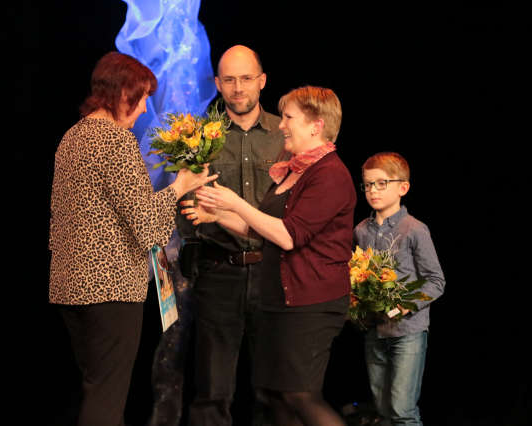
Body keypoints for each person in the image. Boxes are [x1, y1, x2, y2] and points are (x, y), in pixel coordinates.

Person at [48, 51, 216, 426]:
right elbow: (148, 226)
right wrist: (180, 186)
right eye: (140, 99)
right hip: (109, 290)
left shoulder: (73, 137)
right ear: (122, 93)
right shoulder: (116, 141)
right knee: (106, 401)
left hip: (70, 288)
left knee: (98, 390)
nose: (143, 110)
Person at [183, 86, 355, 425]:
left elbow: (289, 236)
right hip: (279, 299)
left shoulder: (330, 174)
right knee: (276, 396)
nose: (281, 125)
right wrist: (218, 215)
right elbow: (265, 230)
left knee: (300, 396)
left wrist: (236, 203)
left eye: (289, 118)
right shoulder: (294, 170)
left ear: (316, 126)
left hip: (310, 303)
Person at [176, 44, 286, 426]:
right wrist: (202, 214)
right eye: (229, 80)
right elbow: (186, 212)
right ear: (218, 84)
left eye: (246, 79)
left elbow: (301, 210)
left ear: (262, 81)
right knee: (212, 391)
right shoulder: (197, 139)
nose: (238, 88)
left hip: (275, 273)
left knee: (275, 391)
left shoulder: (285, 135)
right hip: (218, 271)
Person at [353, 152, 446, 426]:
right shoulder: (361, 231)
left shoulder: (414, 229)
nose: (373, 190)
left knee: (402, 409)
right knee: (383, 409)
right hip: (375, 330)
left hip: (408, 332)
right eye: (368, 184)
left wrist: (407, 304)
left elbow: (436, 280)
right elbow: (360, 274)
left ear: (403, 187)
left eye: (382, 183)